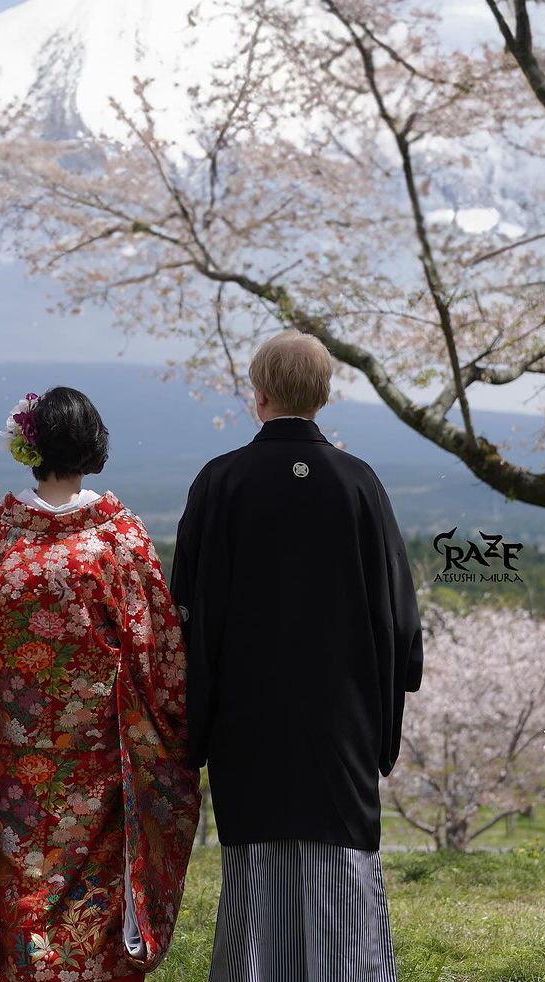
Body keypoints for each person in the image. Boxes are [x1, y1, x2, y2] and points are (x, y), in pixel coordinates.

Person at [0, 386, 200, 981]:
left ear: (28, 447)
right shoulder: (118, 536)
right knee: (100, 890)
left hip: (18, 762)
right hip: (103, 758)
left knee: (25, 892)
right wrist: (180, 723)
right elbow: (157, 643)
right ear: (94, 445)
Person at [171, 330, 423, 982]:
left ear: (259, 396)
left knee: (255, 866)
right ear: (324, 395)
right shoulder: (357, 482)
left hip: (247, 717)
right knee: (343, 861)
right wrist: (392, 690)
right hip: (341, 719)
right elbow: (397, 616)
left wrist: (194, 720)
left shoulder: (220, 481)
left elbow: (185, 614)